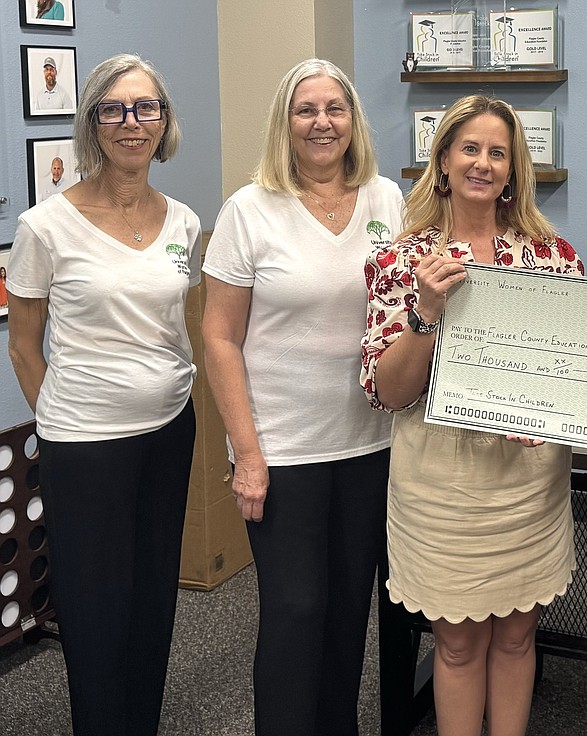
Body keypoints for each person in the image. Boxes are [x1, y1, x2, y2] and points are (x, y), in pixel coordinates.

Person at [361, 94, 583, 736]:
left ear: (514, 170)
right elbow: (386, 390)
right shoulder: (401, 260)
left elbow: (573, 371)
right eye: (470, 149)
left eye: (497, 152)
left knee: (516, 640)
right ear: (444, 161)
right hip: (442, 482)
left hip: (527, 478)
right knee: (456, 646)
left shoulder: (553, 258)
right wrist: (425, 309)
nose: (483, 163)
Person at [202, 58, 403, 736]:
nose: (322, 122)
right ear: (284, 124)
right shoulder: (248, 210)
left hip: (372, 443)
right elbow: (220, 339)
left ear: (353, 121)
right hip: (283, 450)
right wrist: (247, 454)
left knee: (350, 611)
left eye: (334, 109)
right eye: (305, 109)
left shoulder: (386, 200)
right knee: (295, 611)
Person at [6, 54, 199, 736]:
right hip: (85, 447)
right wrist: (62, 414)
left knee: (153, 603)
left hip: (172, 429)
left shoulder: (184, 222)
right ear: (92, 122)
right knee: (95, 610)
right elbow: (24, 345)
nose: (131, 122)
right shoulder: (44, 227)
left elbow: (171, 325)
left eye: (146, 107)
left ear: (164, 120)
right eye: (113, 109)